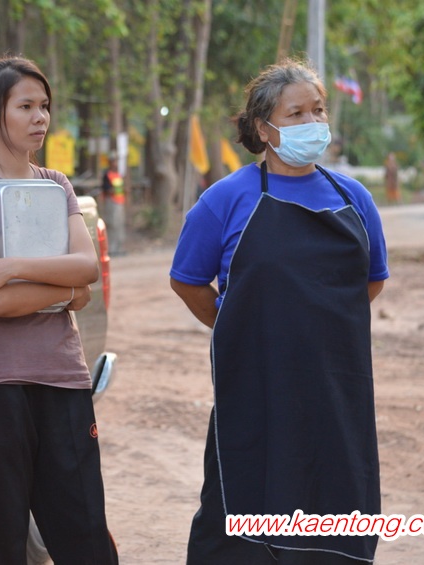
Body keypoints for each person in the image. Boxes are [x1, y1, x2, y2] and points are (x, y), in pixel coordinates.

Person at [170, 59, 389, 564]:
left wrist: (321, 322)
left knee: (336, 497)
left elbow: (372, 278)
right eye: (296, 114)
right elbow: (187, 279)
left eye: (318, 110)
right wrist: (238, 324)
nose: (312, 122)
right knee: (244, 498)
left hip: (338, 385)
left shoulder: (354, 198)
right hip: (256, 384)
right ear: (264, 128)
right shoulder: (226, 199)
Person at [0, 55, 119, 565]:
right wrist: (65, 291)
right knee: (1, 541)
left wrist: (10, 267)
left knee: (85, 535)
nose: (40, 117)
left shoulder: (57, 184)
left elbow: (86, 267)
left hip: (63, 378)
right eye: (25, 106)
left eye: (44, 106)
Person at [101, 153, 127, 255]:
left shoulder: (118, 175)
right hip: (111, 203)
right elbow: (106, 190)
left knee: (119, 225)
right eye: (113, 161)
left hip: (120, 203)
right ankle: (111, 249)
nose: (115, 163)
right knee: (112, 225)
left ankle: (119, 248)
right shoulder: (107, 175)